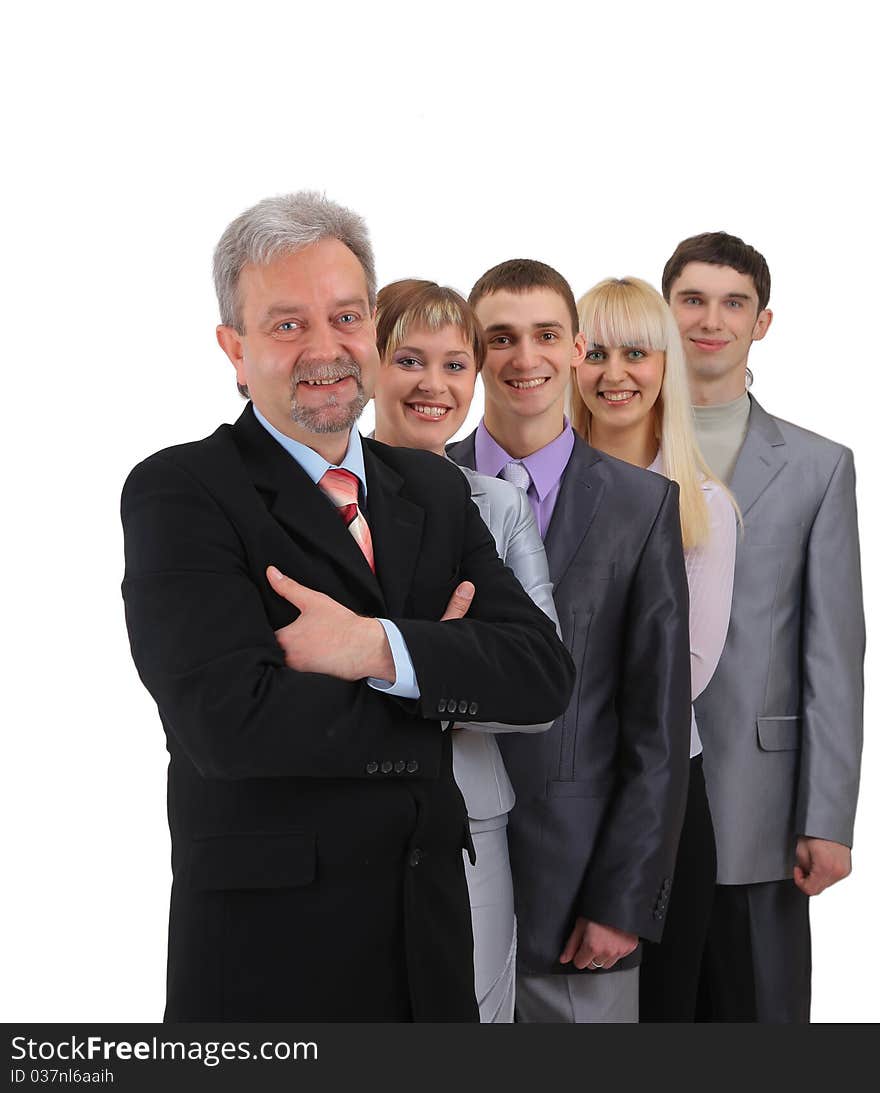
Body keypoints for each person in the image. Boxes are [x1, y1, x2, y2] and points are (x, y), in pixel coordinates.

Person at [120, 193, 575, 1023]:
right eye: (287, 324)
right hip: (273, 959)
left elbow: (541, 676)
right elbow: (230, 725)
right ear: (234, 346)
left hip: (432, 942)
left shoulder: (432, 490)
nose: (324, 349)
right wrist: (439, 674)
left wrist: (375, 649)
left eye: (345, 316)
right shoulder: (182, 491)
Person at [448, 259, 692, 1023]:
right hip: (440, 883)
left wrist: (626, 898)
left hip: (584, 893)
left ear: (577, 349)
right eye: (501, 338)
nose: (526, 358)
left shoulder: (642, 506)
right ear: (476, 351)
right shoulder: (416, 484)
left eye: (546, 334)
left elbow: (658, 727)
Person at [662, 231, 865, 1022]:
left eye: (733, 303)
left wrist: (828, 815)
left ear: (762, 321)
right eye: (693, 300)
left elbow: (835, 652)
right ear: (666, 310)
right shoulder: (614, 443)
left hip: (762, 800)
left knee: (761, 1019)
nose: (711, 320)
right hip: (634, 792)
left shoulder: (819, 466)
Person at [372, 278, 560, 1022]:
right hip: (340, 818)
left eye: (456, 365)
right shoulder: (318, 493)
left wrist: (398, 664)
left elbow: (540, 687)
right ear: (367, 365)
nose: (434, 384)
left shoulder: (501, 504)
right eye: (410, 359)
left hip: (470, 824)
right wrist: (452, 654)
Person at [569, 276, 736, 1020]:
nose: (614, 373)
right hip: (547, 792)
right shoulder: (523, 486)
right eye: (595, 351)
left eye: (635, 352)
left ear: (665, 363)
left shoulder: (705, 505)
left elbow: (684, 676)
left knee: (661, 1011)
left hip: (659, 798)